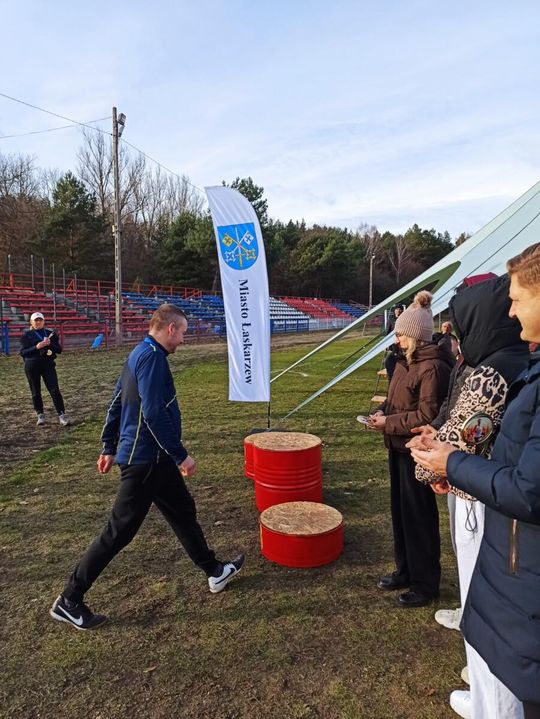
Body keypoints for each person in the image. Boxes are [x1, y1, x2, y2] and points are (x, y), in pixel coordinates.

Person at [50, 304, 244, 630]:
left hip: (155, 460)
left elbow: (116, 402)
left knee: (183, 511)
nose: (183, 339)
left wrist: (108, 446)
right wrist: (181, 455)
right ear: (170, 328)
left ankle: (214, 571)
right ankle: (69, 599)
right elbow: (153, 414)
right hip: (145, 461)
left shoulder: (139, 352)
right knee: (118, 532)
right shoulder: (152, 358)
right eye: (182, 332)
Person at [411, 243, 540, 719]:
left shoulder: (492, 371)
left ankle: (493, 704)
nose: (512, 309)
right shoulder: (515, 363)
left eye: (519, 299)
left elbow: (476, 438)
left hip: (491, 509)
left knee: (493, 617)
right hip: (495, 506)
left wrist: (442, 463)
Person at [368, 291, 453, 607]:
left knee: (419, 517)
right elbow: (396, 402)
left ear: (416, 336)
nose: (397, 339)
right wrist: (382, 413)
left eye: (401, 334)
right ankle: (405, 570)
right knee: (401, 514)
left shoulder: (431, 368)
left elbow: (427, 416)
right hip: (397, 447)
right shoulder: (404, 363)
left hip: (416, 452)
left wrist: (388, 422)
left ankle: (425, 584)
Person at [20, 311, 69, 426]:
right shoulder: (27, 335)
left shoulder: (50, 333)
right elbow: (23, 352)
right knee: (35, 391)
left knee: (54, 389)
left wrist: (49, 344)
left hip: (48, 365)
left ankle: (62, 414)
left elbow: (59, 350)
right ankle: (40, 414)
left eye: (40, 320)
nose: (38, 322)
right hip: (32, 366)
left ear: (43, 321)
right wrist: (36, 347)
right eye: (36, 320)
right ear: (31, 322)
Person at [384, 304, 404, 380]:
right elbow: (387, 332)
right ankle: (392, 373)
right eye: (397, 309)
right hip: (393, 344)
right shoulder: (391, 320)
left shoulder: (405, 319)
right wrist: (386, 345)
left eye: (400, 309)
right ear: (394, 310)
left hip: (403, 343)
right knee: (392, 358)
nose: (398, 310)